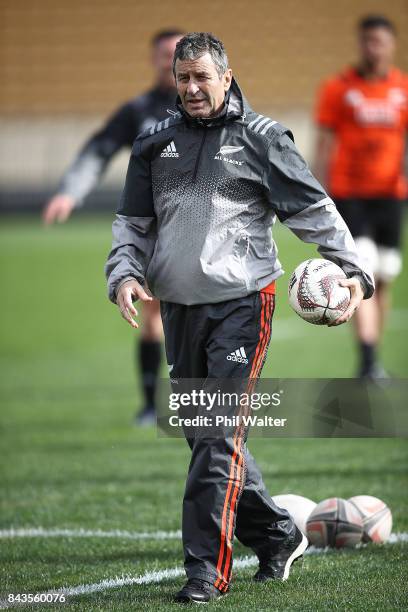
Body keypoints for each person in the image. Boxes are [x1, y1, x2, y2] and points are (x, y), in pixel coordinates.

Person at [105, 33, 374, 603]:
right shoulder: (154, 141)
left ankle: (205, 571)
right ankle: (276, 534)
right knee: (207, 437)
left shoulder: (263, 139)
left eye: (203, 77)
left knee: (217, 436)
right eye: (183, 78)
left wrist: (353, 268)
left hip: (242, 305)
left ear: (227, 77)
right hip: (177, 306)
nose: (192, 88)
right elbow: (132, 225)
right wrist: (124, 275)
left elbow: (313, 209)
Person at [42, 29, 184, 425]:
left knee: (197, 313)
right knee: (154, 313)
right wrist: (70, 192)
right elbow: (99, 149)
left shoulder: (207, 106)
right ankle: (150, 405)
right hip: (155, 227)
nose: (171, 61)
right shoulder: (137, 110)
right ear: (153, 59)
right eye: (164, 54)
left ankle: (193, 403)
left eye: (179, 52)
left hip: (204, 225)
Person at [314, 15, 408, 379]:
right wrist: (319, 193)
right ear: (360, 43)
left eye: (379, 41)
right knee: (362, 268)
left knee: (384, 276)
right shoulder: (338, 88)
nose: (373, 48)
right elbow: (324, 143)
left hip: (390, 196)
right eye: (367, 41)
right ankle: (368, 358)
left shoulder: (402, 88)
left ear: (391, 45)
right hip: (350, 194)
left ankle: (372, 355)